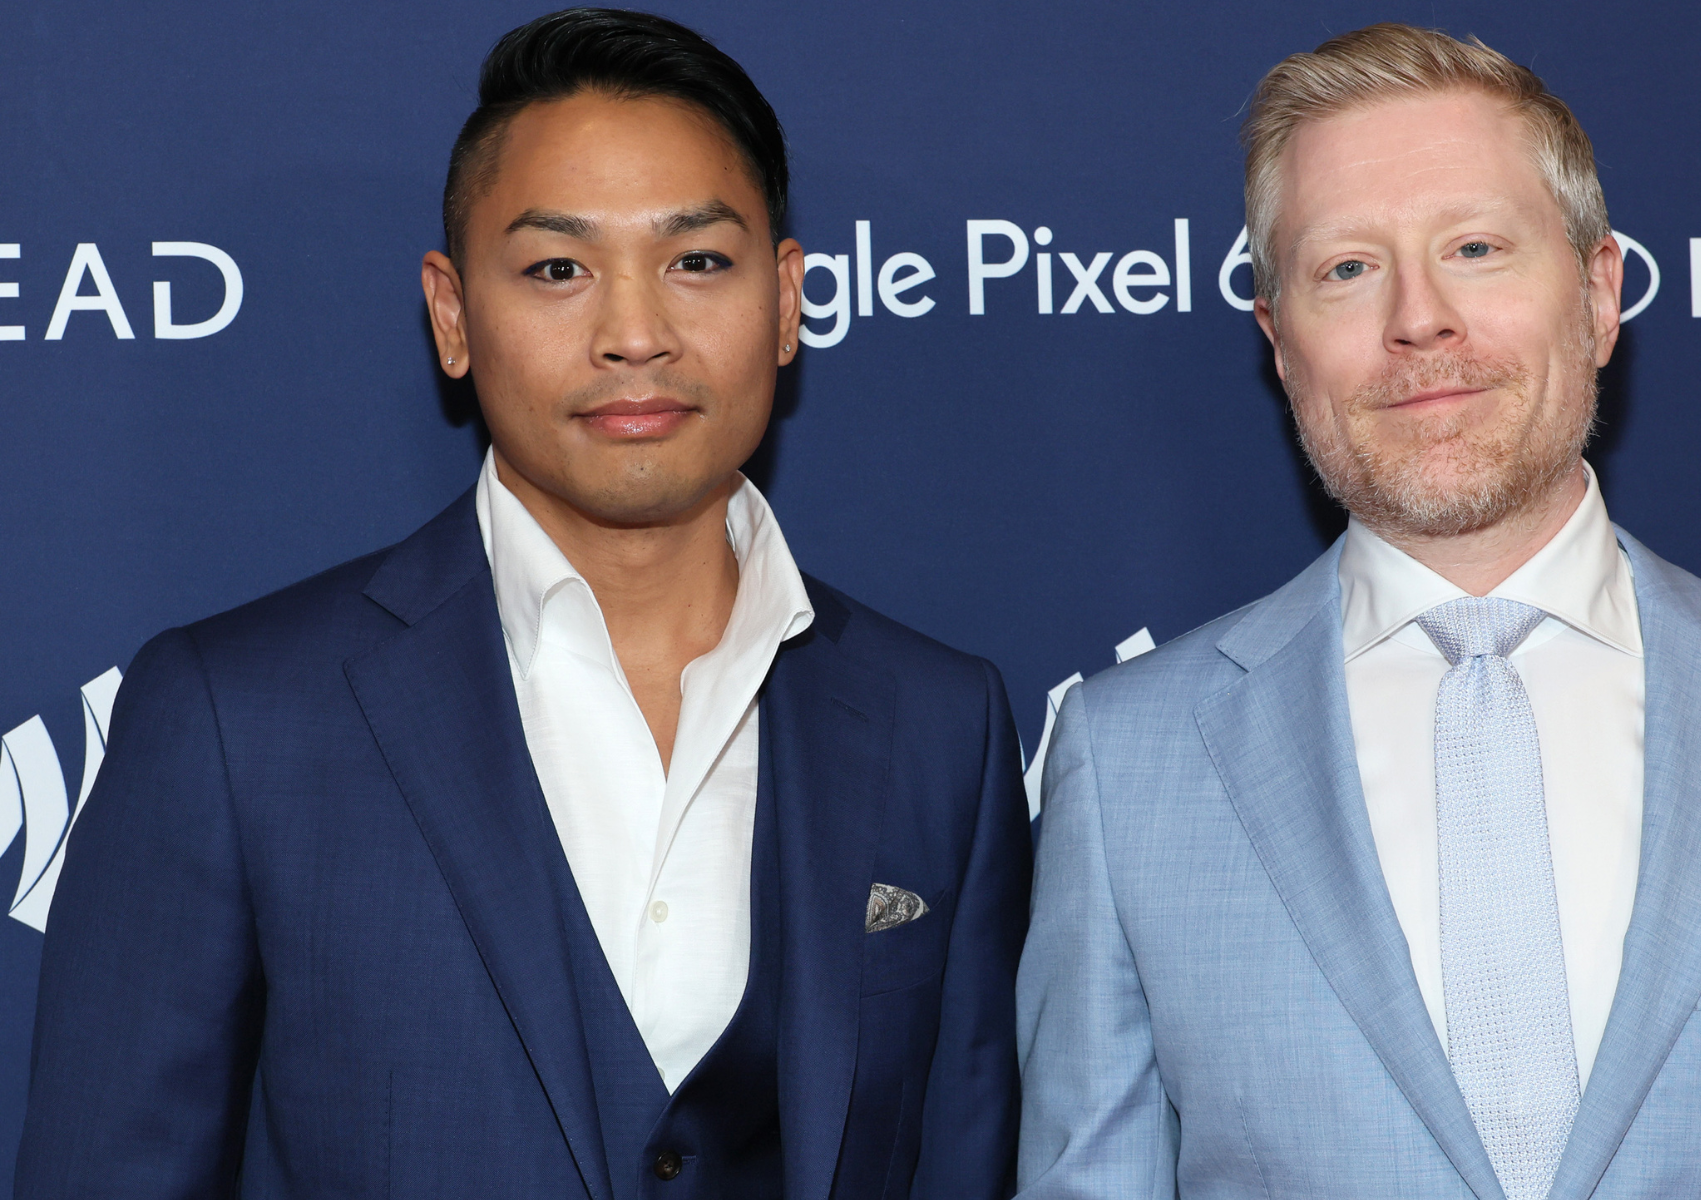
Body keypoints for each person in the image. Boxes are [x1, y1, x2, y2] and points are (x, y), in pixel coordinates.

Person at [16, 10, 1029, 1199]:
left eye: (697, 260)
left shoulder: (936, 722)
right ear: (453, 315)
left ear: (789, 296)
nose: (635, 335)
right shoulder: (237, 719)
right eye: (557, 269)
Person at [1016, 23, 1701, 1200]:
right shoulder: (1127, 766)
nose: (1418, 319)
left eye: (1475, 247)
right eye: (1344, 268)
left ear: (1597, 293)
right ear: (1279, 349)